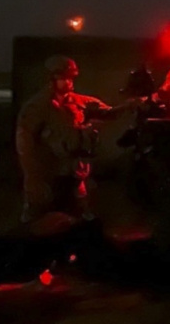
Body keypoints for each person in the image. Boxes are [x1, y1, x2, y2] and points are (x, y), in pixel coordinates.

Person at [15, 55, 134, 224]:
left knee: (77, 218)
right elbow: (25, 144)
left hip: (75, 173)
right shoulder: (37, 107)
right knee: (43, 221)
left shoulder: (79, 101)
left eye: (71, 78)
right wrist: (34, 177)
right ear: (52, 79)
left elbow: (108, 112)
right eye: (64, 78)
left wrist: (130, 105)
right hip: (49, 175)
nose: (69, 82)